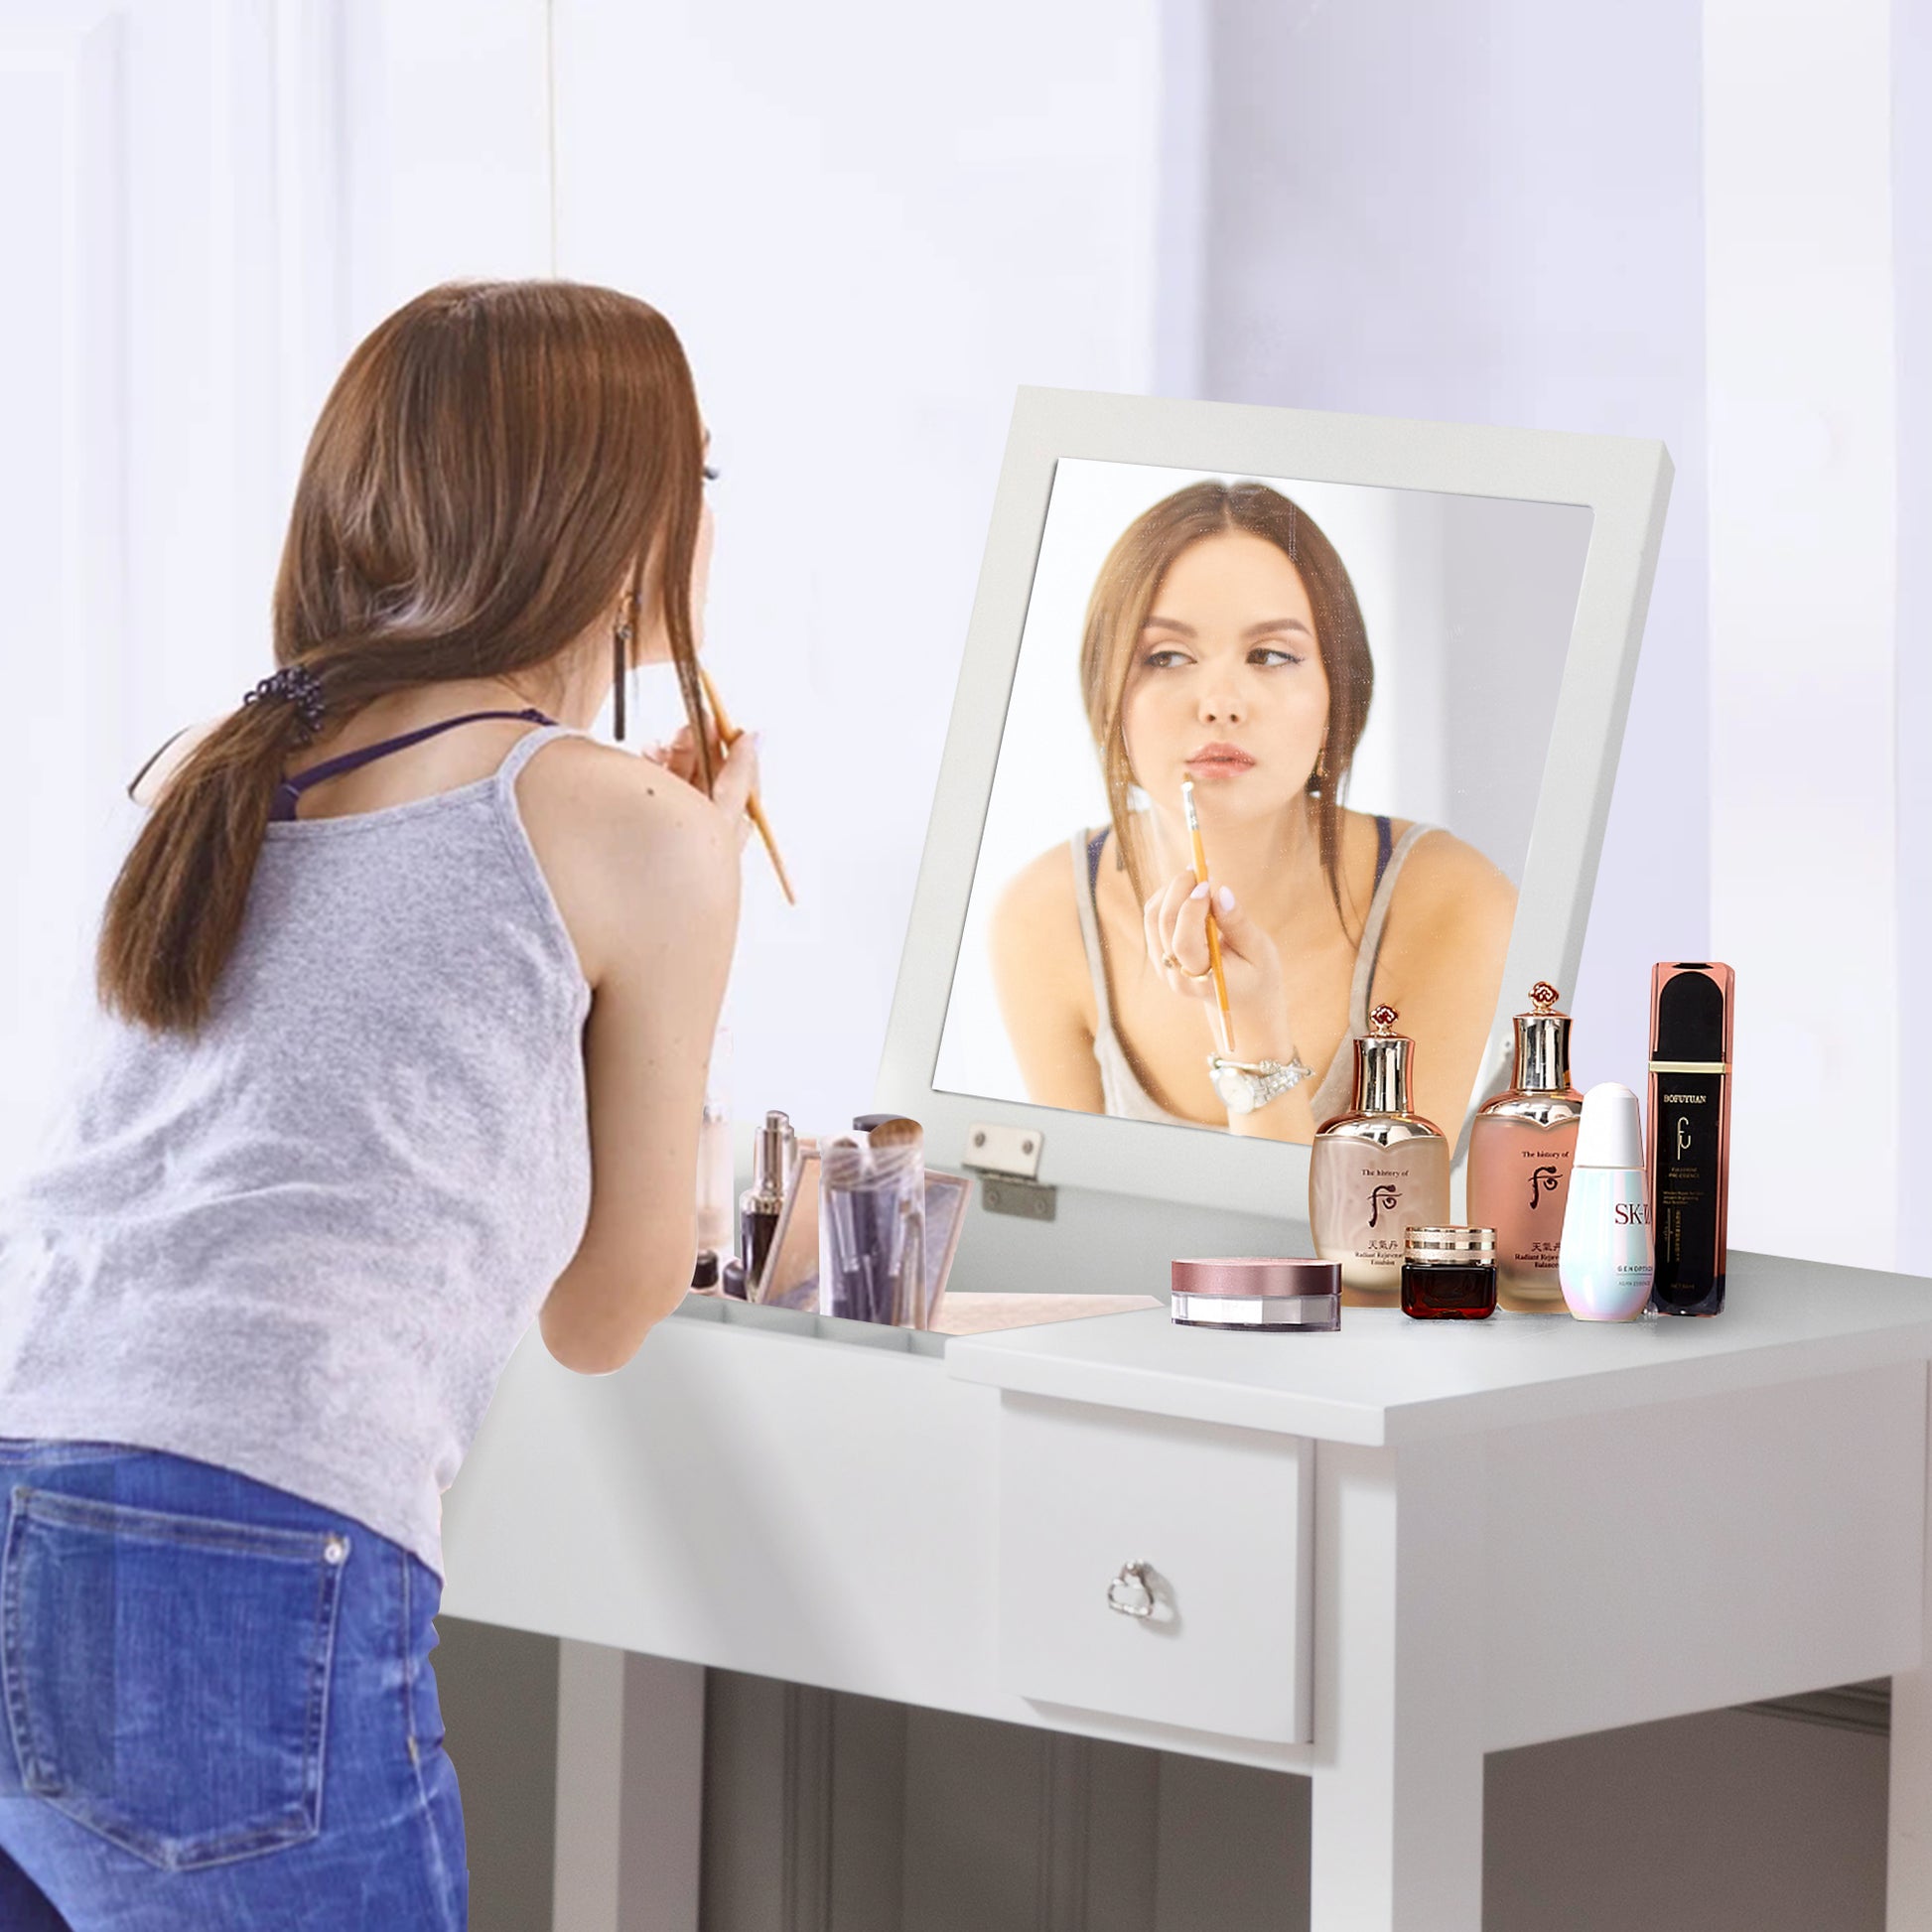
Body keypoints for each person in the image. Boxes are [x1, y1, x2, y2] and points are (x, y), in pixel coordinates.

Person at [0, 280, 757, 1929]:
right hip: (246, 1537)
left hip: (26, 1476)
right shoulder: (632, 827)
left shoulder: (206, 764)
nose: (707, 523)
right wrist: (689, 896)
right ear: (609, 515)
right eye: (695, 479)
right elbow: (607, 1312)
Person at [991, 479, 1513, 1143]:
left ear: (1335, 698)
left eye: (1270, 655)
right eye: (1167, 656)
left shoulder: (1455, 901)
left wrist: (1255, 1036)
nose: (1220, 704)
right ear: (1107, 697)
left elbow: (1376, 1243)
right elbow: (1071, 1228)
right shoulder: (1043, 918)